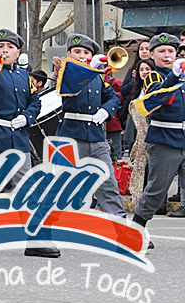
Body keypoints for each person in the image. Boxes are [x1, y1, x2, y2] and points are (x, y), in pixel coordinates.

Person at [0, 28, 54, 258]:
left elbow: (34, 101)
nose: (5, 51)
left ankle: (35, 239)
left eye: (10, 47)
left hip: (18, 136)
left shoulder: (24, 76)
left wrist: (27, 117)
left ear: (18, 52)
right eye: (0, 46)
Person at [51, 34, 126, 218]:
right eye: (77, 52)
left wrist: (106, 111)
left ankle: (121, 225)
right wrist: (84, 71)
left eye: (86, 53)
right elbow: (66, 86)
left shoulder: (97, 78)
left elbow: (114, 97)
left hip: (96, 136)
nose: (82, 56)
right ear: (69, 54)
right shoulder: (67, 72)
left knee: (107, 184)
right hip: (71, 136)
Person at [133, 33, 185, 243]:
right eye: (161, 51)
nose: (167, 55)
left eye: (171, 51)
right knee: (157, 189)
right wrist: (174, 75)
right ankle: (135, 230)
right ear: (152, 55)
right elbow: (156, 97)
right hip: (165, 140)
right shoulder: (154, 77)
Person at [121, 58, 155, 212]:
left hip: (153, 135)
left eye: (148, 69)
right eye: (142, 70)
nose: (145, 72)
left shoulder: (157, 88)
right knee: (138, 169)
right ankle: (137, 200)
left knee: (152, 171)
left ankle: (151, 202)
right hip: (137, 135)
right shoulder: (136, 90)